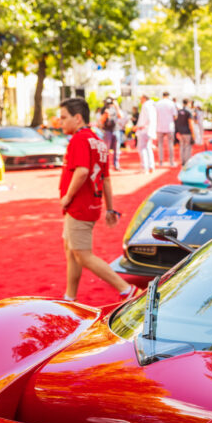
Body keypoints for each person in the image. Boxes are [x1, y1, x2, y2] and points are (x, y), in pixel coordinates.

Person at [57, 97, 135, 301]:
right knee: (72, 251)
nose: (60, 122)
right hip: (90, 205)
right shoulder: (98, 141)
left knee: (82, 255)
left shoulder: (79, 139)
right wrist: (110, 208)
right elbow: (106, 179)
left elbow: (82, 171)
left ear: (77, 118)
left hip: (79, 206)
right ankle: (70, 297)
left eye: (64, 118)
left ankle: (126, 289)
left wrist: (67, 197)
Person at [135, 95, 157, 173]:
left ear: (144, 98)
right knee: (148, 148)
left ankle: (145, 167)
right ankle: (151, 166)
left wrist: (139, 126)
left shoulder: (146, 105)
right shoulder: (152, 106)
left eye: (140, 99)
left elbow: (148, 119)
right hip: (149, 130)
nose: (140, 100)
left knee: (142, 149)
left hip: (144, 130)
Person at [155, 91, 177, 166]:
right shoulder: (171, 103)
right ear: (168, 96)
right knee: (170, 144)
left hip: (159, 126)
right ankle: (171, 162)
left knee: (160, 145)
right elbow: (175, 116)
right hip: (169, 127)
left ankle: (161, 161)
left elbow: (155, 115)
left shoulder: (158, 103)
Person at [100, 97, 123, 170]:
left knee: (117, 148)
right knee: (106, 149)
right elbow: (101, 120)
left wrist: (117, 106)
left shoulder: (116, 108)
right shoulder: (104, 109)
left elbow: (121, 116)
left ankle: (116, 165)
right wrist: (105, 114)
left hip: (116, 130)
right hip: (107, 131)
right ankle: (105, 165)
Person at [175, 98, 197, 166]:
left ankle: (182, 161)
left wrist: (177, 131)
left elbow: (176, 122)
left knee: (182, 146)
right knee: (188, 147)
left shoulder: (179, 111)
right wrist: (193, 134)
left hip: (181, 132)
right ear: (188, 103)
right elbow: (191, 123)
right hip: (187, 132)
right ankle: (187, 162)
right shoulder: (189, 112)